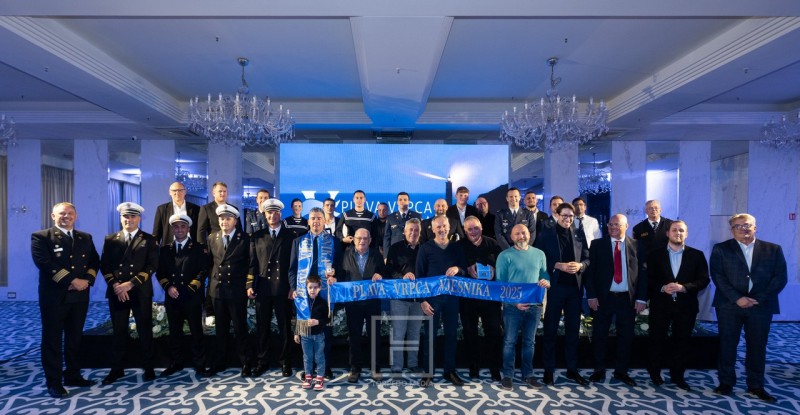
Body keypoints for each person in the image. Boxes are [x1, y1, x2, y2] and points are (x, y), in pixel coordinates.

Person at [710, 213, 787, 403]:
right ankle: (726, 382)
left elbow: (780, 278)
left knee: (757, 346)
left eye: (747, 225)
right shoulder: (721, 249)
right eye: (738, 226)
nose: (743, 229)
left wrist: (758, 299)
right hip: (729, 305)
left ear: (755, 227)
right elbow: (718, 276)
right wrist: (737, 298)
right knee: (727, 344)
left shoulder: (773, 249)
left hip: (760, 306)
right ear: (732, 230)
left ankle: (756, 385)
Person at [31, 202, 100, 398]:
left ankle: (73, 375)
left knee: (74, 338)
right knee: (52, 340)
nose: (66, 216)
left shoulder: (85, 237)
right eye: (62, 213)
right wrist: (72, 281)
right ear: (53, 216)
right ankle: (53, 382)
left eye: (70, 213)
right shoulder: (41, 237)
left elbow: (94, 261)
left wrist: (86, 281)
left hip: (79, 296)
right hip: (55, 297)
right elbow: (45, 263)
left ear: (75, 216)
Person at [100, 202, 159, 385]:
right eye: (125, 216)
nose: (129, 219)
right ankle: (117, 368)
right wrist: (116, 286)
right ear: (121, 218)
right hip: (118, 291)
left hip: (139, 290)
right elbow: (105, 266)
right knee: (119, 331)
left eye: (133, 216)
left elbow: (152, 266)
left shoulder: (149, 239)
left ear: (139, 218)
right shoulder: (111, 239)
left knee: (144, 329)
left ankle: (148, 367)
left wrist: (130, 284)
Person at [585, 214, 647, 387]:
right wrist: (591, 295)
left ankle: (621, 371)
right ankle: (599, 369)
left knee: (625, 337)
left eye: (616, 224)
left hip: (627, 299)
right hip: (603, 299)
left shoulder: (637, 245)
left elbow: (643, 273)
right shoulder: (597, 245)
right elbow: (590, 273)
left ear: (626, 226)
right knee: (599, 335)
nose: (612, 227)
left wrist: (641, 297)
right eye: (610, 224)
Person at [647, 220, 709, 390]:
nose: (678, 233)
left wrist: (684, 287)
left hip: (686, 307)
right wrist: (662, 287)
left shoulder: (697, 255)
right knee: (656, 340)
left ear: (686, 234)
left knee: (682, 342)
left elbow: (704, 280)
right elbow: (648, 279)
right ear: (667, 233)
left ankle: (677, 376)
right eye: (674, 230)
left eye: (681, 230)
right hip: (661, 306)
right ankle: (655, 373)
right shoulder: (655, 255)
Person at [534, 202, 590, 386]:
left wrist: (580, 265)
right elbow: (539, 260)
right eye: (564, 215)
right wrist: (557, 265)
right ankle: (548, 370)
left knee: (573, 331)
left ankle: (572, 369)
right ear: (557, 215)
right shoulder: (546, 234)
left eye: (571, 216)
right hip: (555, 288)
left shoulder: (579, 233)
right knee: (550, 330)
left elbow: (588, 258)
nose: (568, 219)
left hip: (575, 289)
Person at [496, 224, 550, 390]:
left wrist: (547, 281)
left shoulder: (540, 254)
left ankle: (528, 374)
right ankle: (508, 375)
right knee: (509, 342)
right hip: (512, 308)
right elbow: (500, 285)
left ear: (529, 234)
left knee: (529, 342)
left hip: (534, 307)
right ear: (511, 237)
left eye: (524, 233)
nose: (521, 236)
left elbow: (544, 274)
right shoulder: (504, 256)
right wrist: (514, 302)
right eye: (517, 234)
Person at [156, 213, 210, 378]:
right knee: (174, 332)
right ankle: (176, 362)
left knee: (196, 332)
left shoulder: (199, 248)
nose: (179, 230)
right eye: (176, 227)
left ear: (188, 229)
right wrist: (168, 287)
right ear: (172, 229)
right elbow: (160, 272)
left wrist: (190, 288)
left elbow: (203, 271)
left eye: (183, 226)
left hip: (191, 297)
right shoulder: (165, 249)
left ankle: (200, 364)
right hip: (172, 296)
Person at [248, 198, 297, 378]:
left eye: (276, 212)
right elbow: (252, 264)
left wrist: (293, 287)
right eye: (269, 212)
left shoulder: (291, 236)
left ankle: (285, 362)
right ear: (265, 214)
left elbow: (294, 265)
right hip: (263, 288)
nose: (272, 215)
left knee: (284, 327)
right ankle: (262, 361)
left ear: (280, 214)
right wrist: (249, 285)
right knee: (262, 327)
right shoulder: (257, 236)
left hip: (283, 288)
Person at [289, 207, 340, 380]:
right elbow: (292, 269)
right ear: (308, 221)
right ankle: (308, 369)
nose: (316, 221)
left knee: (325, 330)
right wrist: (293, 288)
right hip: (304, 293)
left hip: (325, 293)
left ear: (325, 221)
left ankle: (325, 367)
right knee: (306, 332)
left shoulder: (334, 241)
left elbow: (340, 265)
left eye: (319, 218)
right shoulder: (298, 242)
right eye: (313, 218)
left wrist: (336, 276)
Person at [417, 215, 467, 387]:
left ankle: (449, 371)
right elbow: (419, 276)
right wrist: (422, 300)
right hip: (431, 300)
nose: (442, 229)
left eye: (444, 226)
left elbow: (464, 271)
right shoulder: (425, 248)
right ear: (432, 229)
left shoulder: (457, 248)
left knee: (451, 336)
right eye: (438, 227)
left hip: (452, 298)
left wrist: (458, 269)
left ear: (449, 227)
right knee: (429, 337)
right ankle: (428, 372)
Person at [206, 204, 252, 377]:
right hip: (218, 290)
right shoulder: (213, 238)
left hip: (236, 290)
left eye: (228, 218)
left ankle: (245, 362)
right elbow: (210, 264)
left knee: (240, 328)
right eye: (221, 218)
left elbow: (250, 264)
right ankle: (220, 361)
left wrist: (248, 285)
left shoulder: (244, 238)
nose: (224, 221)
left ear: (235, 221)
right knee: (221, 329)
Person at [338, 228, 387, 382]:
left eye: (365, 238)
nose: (362, 241)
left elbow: (386, 272)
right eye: (359, 238)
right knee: (354, 336)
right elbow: (340, 274)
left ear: (370, 240)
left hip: (373, 303)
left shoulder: (376, 254)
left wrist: (381, 274)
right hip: (353, 303)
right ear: (354, 240)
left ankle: (375, 368)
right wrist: (334, 278)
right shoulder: (346, 254)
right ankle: (355, 369)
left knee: (374, 336)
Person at [458, 216, 503, 381]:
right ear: (465, 230)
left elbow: (503, 267)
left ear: (481, 228)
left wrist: (495, 270)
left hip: (490, 299)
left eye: (476, 228)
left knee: (494, 332)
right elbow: (453, 266)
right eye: (469, 229)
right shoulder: (459, 246)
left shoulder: (493, 244)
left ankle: (494, 367)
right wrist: (465, 269)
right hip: (468, 298)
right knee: (470, 332)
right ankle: (474, 366)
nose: (473, 232)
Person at [197, 181, 242, 327]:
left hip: (232, 250)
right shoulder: (206, 208)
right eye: (219, 191)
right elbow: (201, 231)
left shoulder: (233, 209)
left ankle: (231, 312)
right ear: (213, 193)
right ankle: (210, 312)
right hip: (214, 250)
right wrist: (204, 250)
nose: (222, 194)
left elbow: (239, 231)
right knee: (213, 280)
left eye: (224, 191)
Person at [385, 218, 424, 374]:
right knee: (398, 333)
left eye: (416, 230)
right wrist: (402, 276)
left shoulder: (425, 248)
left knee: (414, 333)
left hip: (418, 299)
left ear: (420, 232)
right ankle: (397, 366)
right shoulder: (395, 248)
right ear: (404, 232)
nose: (413, 233)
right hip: (399, 298)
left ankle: (413, 363)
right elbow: (388, 270)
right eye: (410, 230)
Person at [293, 275, 329, 391]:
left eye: (315, 287)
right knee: (307, 357)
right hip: (305, 335)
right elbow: (299, 318)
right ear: (306, 288)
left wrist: (317, 322)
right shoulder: (302, 302)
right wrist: (296, 332)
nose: (312, 290)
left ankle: (319, 377)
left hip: (318, 335)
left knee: (319, 357)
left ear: (319, 288)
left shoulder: (322, 303)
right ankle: (308, 376)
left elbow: (327, 319)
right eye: (310, 287)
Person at [383, 192, 422, 258]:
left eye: (405, 200)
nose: (402, 202)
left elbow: (420, 234)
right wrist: (386, 256)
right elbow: (387, 238)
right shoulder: (390, 217)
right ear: (397, 202)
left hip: (412, 251)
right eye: (400, 200)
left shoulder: (416, 216)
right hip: (395, 252)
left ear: (409, 202)